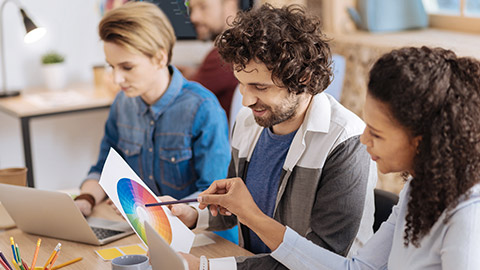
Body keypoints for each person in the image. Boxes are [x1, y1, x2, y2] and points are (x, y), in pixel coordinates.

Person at [196, 46, 480, 269]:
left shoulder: (467, 218)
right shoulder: (416, 190)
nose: (364, 138)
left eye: (377, 134)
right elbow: (359, 268)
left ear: (423, 142)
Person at [168, 4, 377, 269]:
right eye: (241, 84)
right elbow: (236, 208)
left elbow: (322, 260)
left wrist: (207, 267)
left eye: (260, 87)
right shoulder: (249, 122)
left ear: (303, 78)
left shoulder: (346, 140)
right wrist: (193, 214)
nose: (246, 100)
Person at [74, 2, 230, 226]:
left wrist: (171, 210)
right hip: (144, 230)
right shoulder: (123, 103)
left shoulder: (202, 108)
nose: (117, 79)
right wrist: (84, 201)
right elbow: (102, 170)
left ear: (159, 58)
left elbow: (213, 199)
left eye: (127, 67)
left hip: (198, 236)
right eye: (112, 66)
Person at [179, 0, 241, 120]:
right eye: (191, 9)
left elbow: (181, 97)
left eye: (203, 7)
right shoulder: (242, 46)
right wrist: (195, 73)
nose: (193, 17)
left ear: (230, 5)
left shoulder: (223, 54)